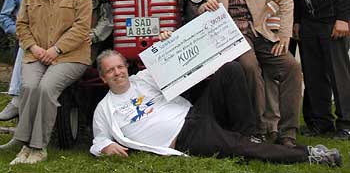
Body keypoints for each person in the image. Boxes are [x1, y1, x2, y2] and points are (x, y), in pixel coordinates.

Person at [90, 49, 341, 167]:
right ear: (103, 77)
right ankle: (310, 154)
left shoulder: (141, 80)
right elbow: (98, 139)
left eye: (120, 67)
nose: (117, 73)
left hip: (197, 114)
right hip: (186, 137)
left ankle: (249, 132)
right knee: (237, 147)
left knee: (231, 69)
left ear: (126, 67)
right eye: (111, 70)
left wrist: (165, 42)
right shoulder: (105, 109)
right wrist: (106, 146)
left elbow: (172, 63)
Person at [199, 0, 302, 147]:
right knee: (249, 66)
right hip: (231, 33)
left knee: (292, 67)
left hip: (261, 32)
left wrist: (284, 35)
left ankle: (287, 134)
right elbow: (197, 6)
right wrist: (205, 6)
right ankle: (258, 130)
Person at [7, 0, 92, 165]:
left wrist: (56, 49)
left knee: (46, 88)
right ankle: (24, 145)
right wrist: (34, 48)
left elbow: (82, 27)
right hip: (36, 53)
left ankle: (37, 147)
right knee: (29, 87)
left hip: (70, 56)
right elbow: (21, 25)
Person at [294, 0, 350, 139]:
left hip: (333, 23)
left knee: (339, 75)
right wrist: (297, 21)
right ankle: (321, 123)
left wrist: (344, 18)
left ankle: (346, 123)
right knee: (314, 75)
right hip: (308, 24)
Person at [247, 0, 295, 143]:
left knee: (277, 76)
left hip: (274, 28)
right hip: (254, 31)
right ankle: (268, 127)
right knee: (261, 78)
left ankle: (280, 126)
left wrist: (264, 12)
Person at [0, 0, 36, 121]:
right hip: (24, 39)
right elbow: (4, 16)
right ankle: (17, 104)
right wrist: (17, 32)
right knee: (25, 79)